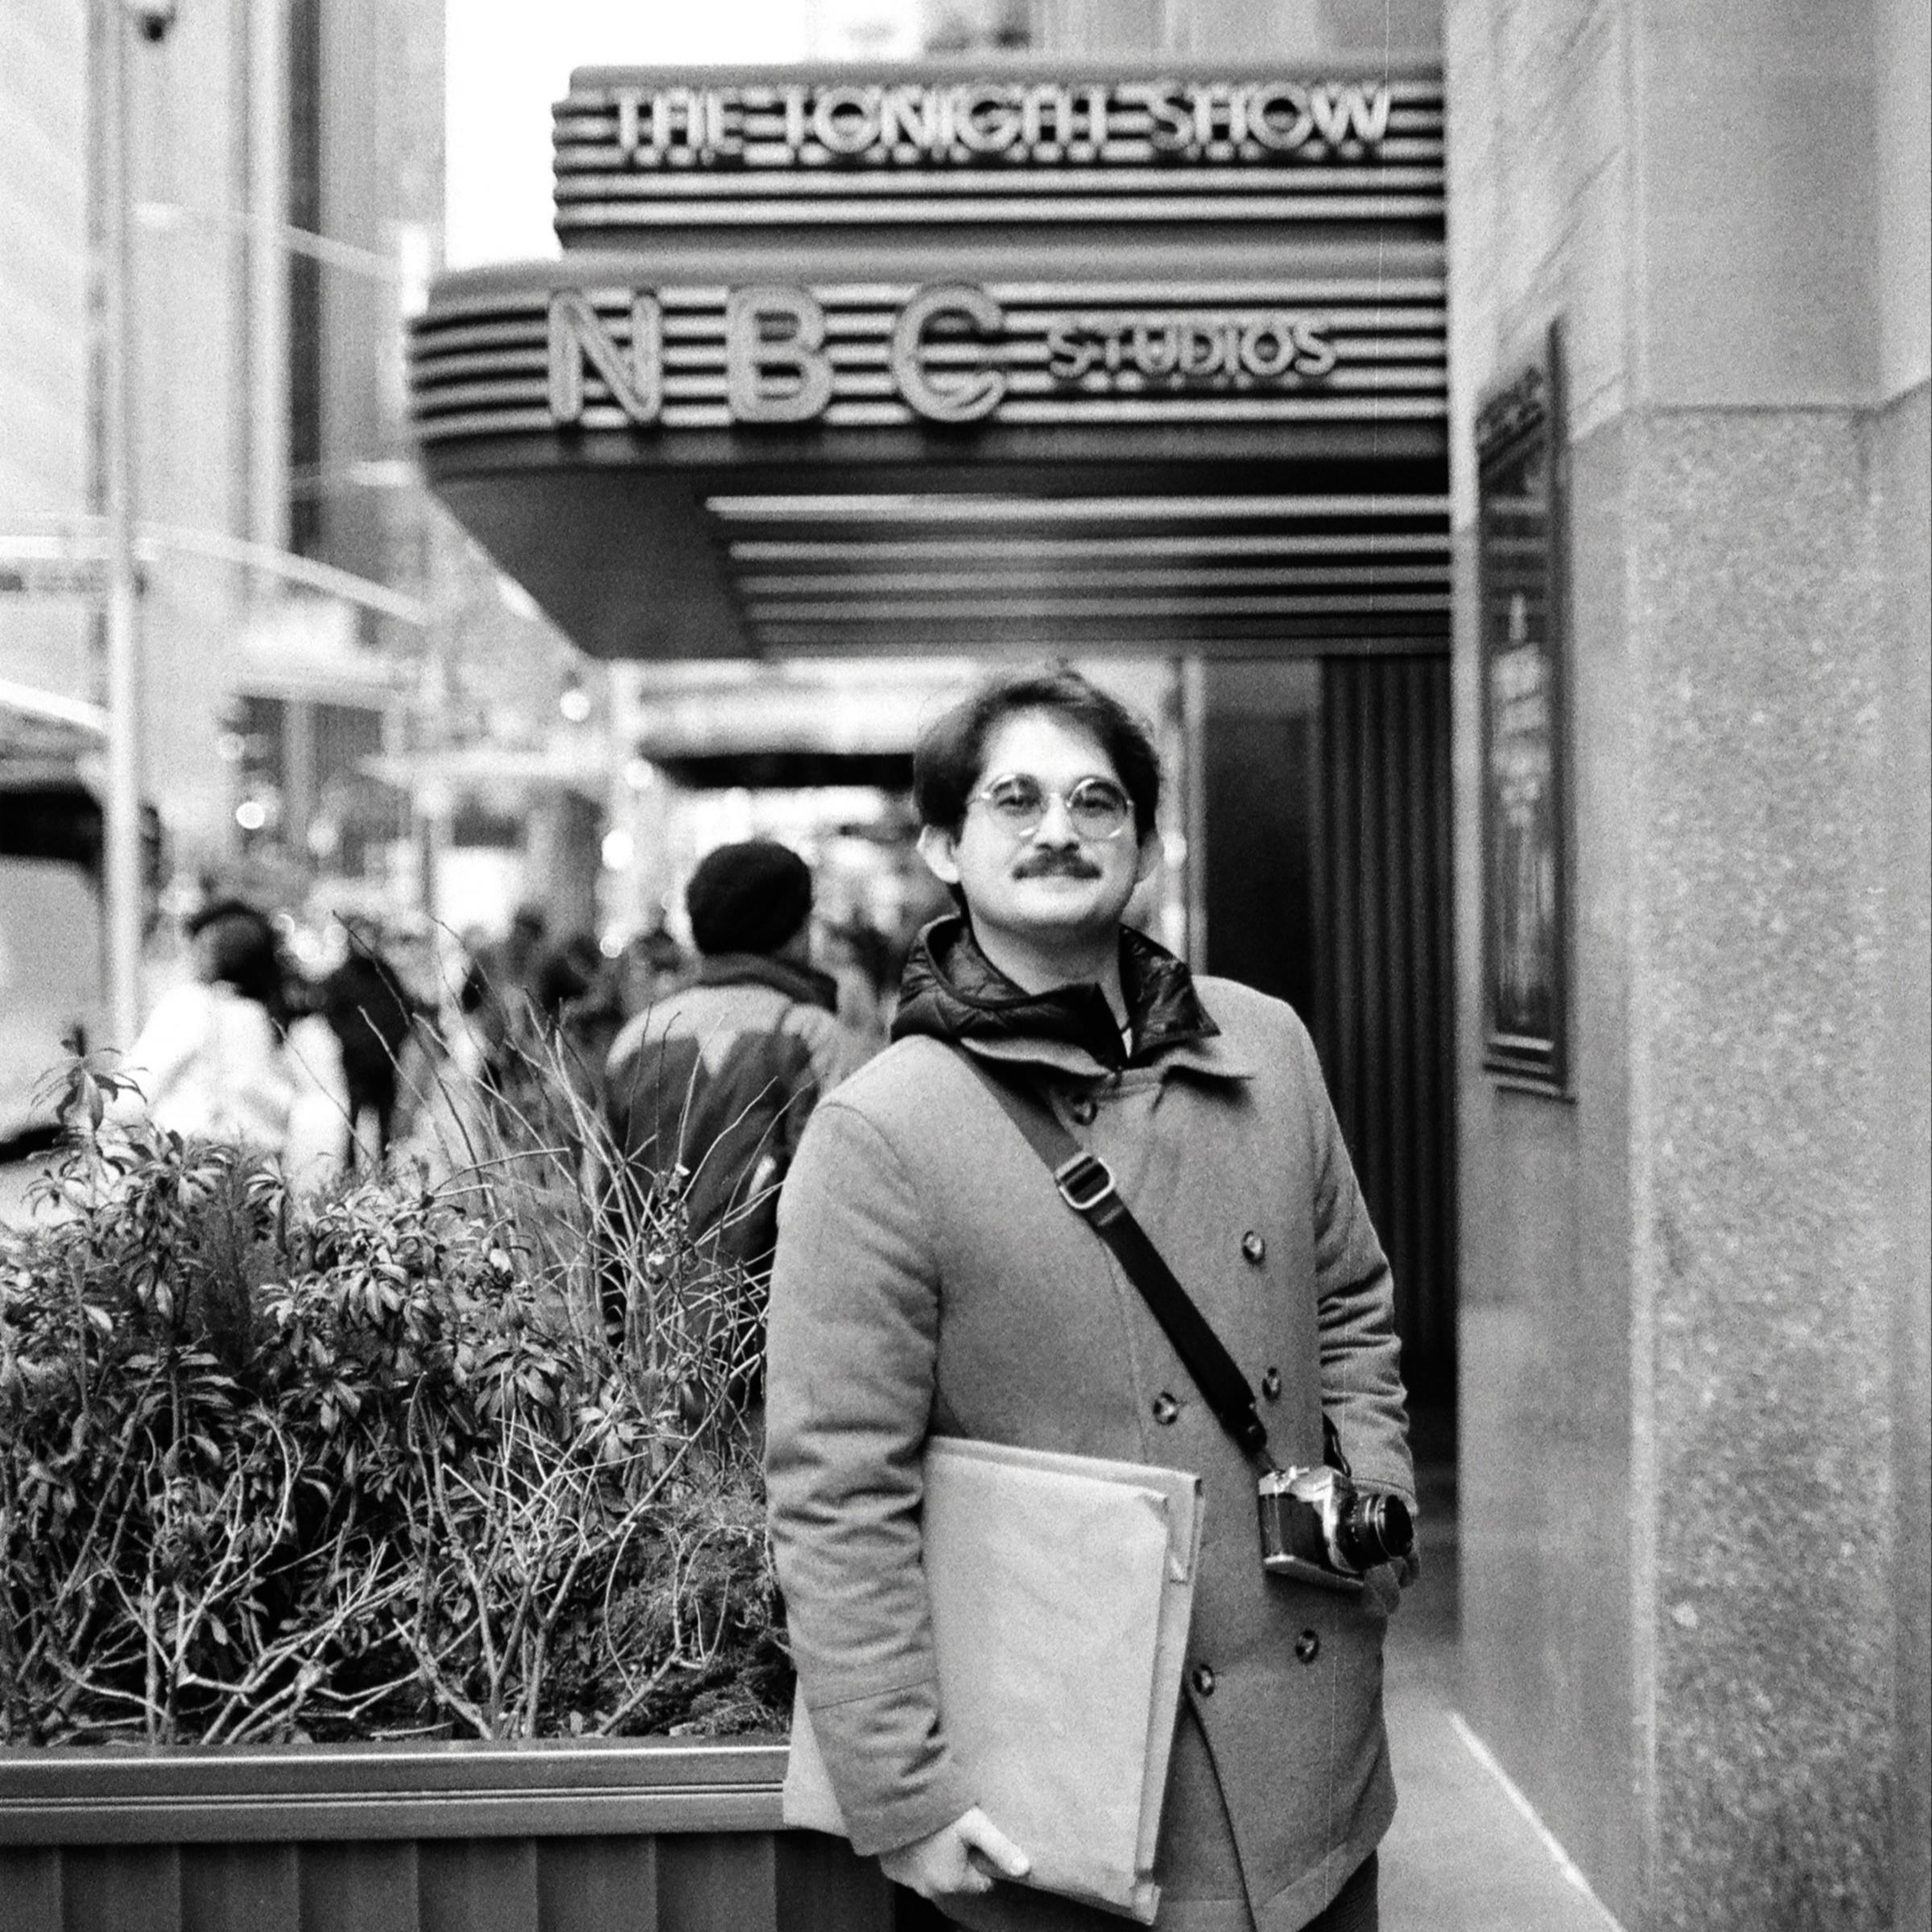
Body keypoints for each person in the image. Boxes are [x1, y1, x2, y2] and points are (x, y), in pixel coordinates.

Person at [763, 667, 1415, 1932]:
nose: (1058, 828)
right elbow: (838, 1486)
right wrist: (904, 1792)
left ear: (1148, 846)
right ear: (944, 848)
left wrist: (1372, 1517)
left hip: (1314, 1763)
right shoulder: (884, 1130)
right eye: (1014, 800)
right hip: (1059, 1798)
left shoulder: (1267, 1046)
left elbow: (1349, 1303)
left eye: (1095, 800)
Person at [602, 839, 861, 1277]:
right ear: (794, 927)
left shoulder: (637, 1038)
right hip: (767, 1308)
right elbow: (840, 1201)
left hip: (650, 1307)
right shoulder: (811, 1034)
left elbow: (605, 1204)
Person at [117, 898, 349, 1184]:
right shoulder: (280, 1017)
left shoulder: (190, 1005)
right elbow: (320, 1113)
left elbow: (133, 1094)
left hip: (191, 1170)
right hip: (262, 1173)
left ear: (213, 956)